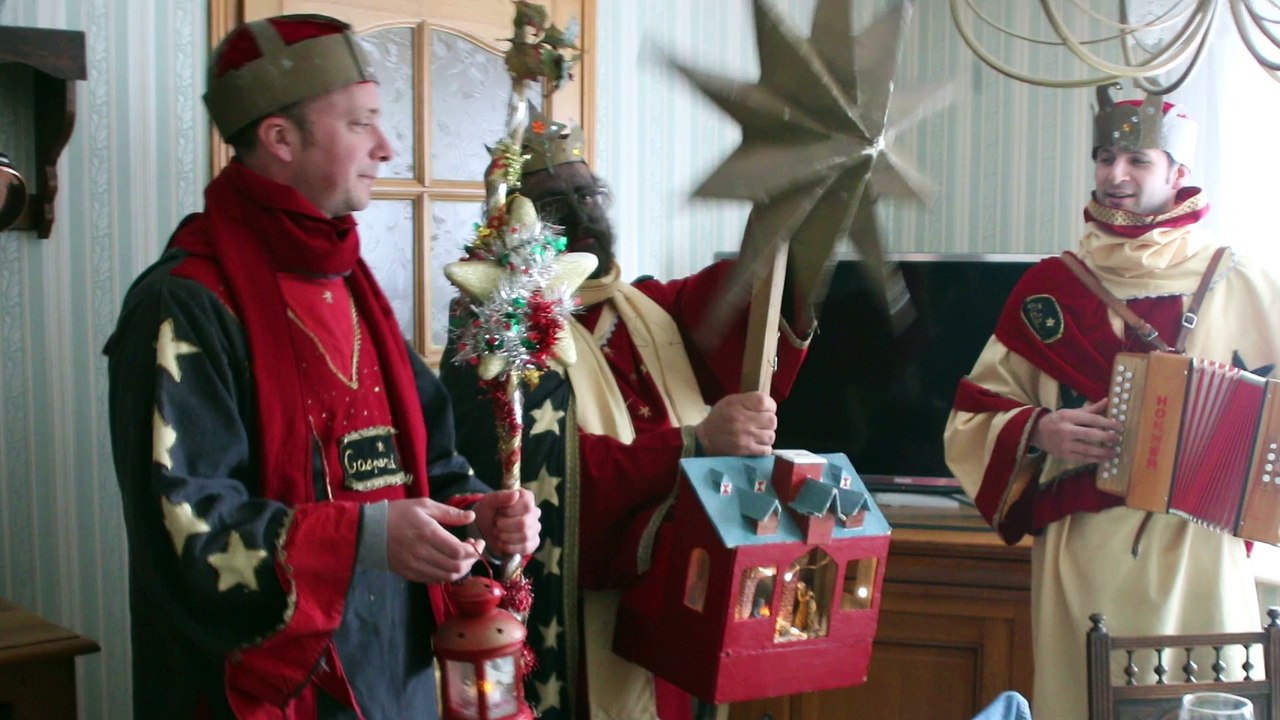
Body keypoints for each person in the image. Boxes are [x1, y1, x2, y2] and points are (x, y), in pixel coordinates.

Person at [104, 14, 540, 719]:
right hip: (264, 687)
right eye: (361, 124)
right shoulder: (183, 304)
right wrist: (368, 535)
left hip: (394, 674)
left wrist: (477, 512)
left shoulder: (349, 285)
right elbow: (184, 528)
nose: (387, 147)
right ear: (279, 139)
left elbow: (429, 461)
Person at [440, 115, 815, 719]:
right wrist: (693, 443)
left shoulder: (650, 307)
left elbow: (747, 300)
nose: (583, 212)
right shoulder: (501, 332)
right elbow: (543, 484)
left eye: (590, 194)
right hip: (573, 636)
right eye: (556, 201)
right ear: (519, 222)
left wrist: (797, 205)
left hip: (668, 614)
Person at [943, 85, 1280, 720]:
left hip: (1200, 553)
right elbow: (973, 414)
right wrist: (1041, 430)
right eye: (1104, 157)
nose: (1115, 174)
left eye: (1138, 160)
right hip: (1084, 552)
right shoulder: (1051, 287)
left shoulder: (1247, 285)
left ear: (1178, 174)